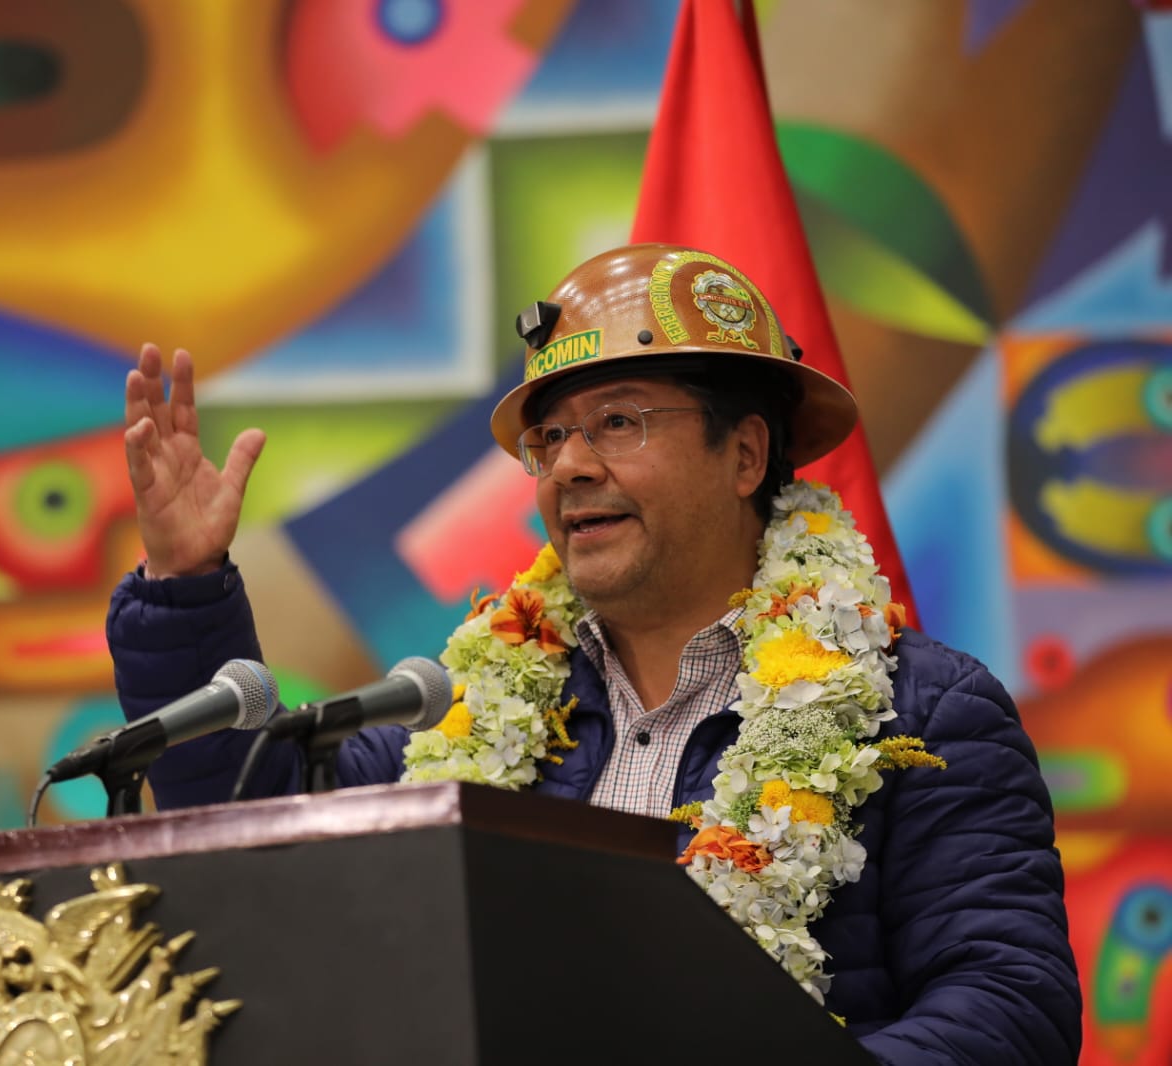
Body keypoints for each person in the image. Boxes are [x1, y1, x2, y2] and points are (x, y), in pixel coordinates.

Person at [106, 244, 1081, 1064]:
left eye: (618, 422)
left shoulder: (923, 712)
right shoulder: (468, 716)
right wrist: (185, 582)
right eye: (550, 437)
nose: (569, 465)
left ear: (745, 455)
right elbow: (253, 819)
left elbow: (1009, 1005)